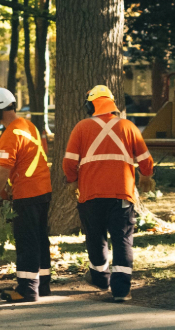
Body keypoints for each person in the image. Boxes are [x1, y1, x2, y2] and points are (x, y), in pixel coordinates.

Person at [62, 85, 155, 302]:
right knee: (122, 239)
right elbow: (145, 160)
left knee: (95, 236)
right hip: (121, 194)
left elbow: (69, 162)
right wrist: (146, 176)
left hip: (90, 194)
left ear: (90, 105)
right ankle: (121, 291)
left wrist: (71, 181)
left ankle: (101, 278)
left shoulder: (81, 127)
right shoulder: (128, 127)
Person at [0, 88, 52, 303]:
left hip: (27, 194)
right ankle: (43, 285)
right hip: (43, 190)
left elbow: (3, 171)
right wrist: (5, 192)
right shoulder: (30, 126)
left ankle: (27, 289)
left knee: (27, 241)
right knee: (40, 238)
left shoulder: (10, 134)